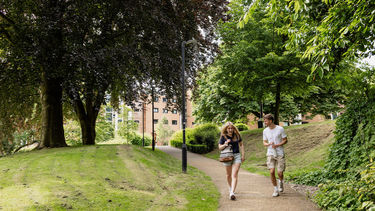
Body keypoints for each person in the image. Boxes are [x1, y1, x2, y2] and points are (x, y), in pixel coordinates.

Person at [262, 114, 288, 197]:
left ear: (271, 120)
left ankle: (280, 182)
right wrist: (268, 144)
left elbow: (285, 140)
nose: (265, 122)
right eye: (264, 121)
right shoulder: (265, 131)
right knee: (272, 171)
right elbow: (264, 142)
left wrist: (277, 145)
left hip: (279, 153)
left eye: (266, 121)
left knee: (280, 172)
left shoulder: (280, 129)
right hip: (270, 153)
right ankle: (275, 189)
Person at [218, 122, 245, 200]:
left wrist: (243, 155)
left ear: (234, 129)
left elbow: (241, 145)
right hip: (227, 156)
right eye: (229, 128)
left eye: (232, 128)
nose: (230, 130)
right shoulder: (223, 137)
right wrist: (225, 144)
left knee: (234, 175)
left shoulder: (237, 135)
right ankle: (230, 189)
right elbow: (220, 148)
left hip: (236, 156)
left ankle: (232, 192)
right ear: (226, 129)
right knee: (228, 175)